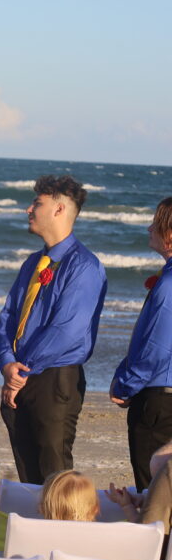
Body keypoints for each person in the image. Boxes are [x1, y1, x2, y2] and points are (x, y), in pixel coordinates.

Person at [0, 175, 107, 485]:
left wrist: (21, 372)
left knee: (55, 476)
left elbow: (66, 330)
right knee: (27, 474)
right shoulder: (33, 263)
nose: (29, 209)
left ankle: (61, 533)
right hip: (20, 375)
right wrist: (6, 363)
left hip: (55, 379)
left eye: (37, 204)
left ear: (58, 210)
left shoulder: (84, 266)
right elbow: (7, 317)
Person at [110, 197, 172, 491]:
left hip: (160, 401)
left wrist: (125, 383)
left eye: (156, 223)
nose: (150, 228)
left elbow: (157, 347)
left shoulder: (169, 285)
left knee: (153, 493)